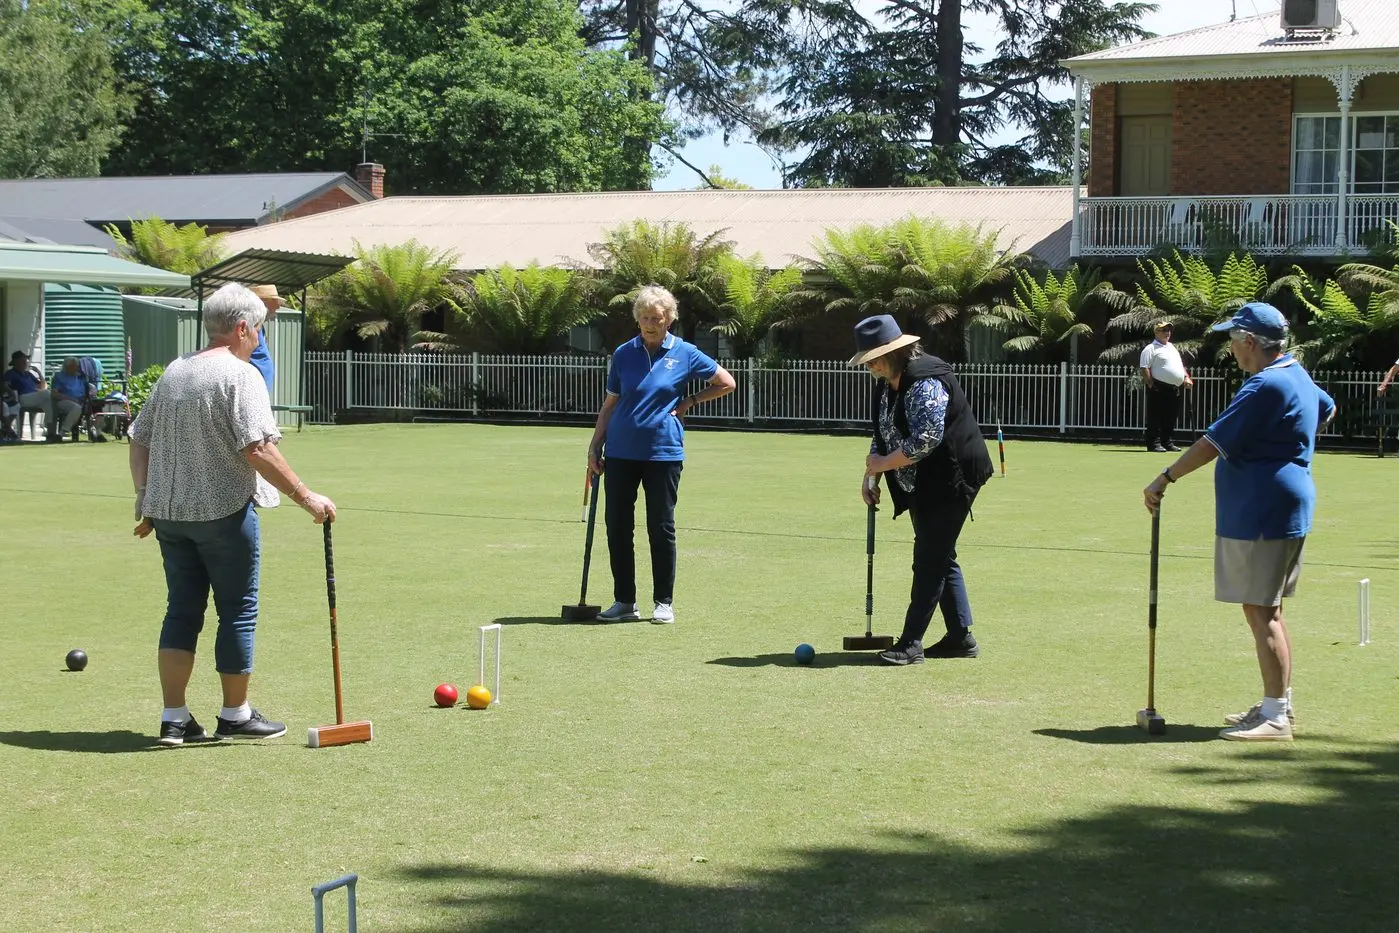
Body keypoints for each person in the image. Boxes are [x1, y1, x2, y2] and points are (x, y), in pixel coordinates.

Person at [129, 283, 337, 747]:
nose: (260, 339)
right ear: (242, 327)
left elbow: (138, 436)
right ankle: (235, 714)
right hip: (222, 512)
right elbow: (258, 448)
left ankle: (175, 719)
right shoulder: (240, 375)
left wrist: (144, 496)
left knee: (181, 611)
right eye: (259, 330)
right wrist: (306, 496)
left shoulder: (176, 370)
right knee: (238, 611)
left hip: (169, 515)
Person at [1142, 303, 1335, 743]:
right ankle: (1276, 702)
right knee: (1268, 608)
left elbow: (1212, 442)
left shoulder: (1264, 386)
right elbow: (1327, 409)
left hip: (1263, 508)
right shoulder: (1296, 374)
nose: (1230, 347)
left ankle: (1277, 715)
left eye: (1233, 338)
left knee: (1261, 610)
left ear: (1250, 342)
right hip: (1279, 503)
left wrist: (1164, 477)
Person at [586, 285, 736, 624]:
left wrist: (689, 402)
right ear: (637, 320)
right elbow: (610, 404)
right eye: (644, 319)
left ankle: (663, 602)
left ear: (669, 319)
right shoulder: (624, 353)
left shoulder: (685, 352)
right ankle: (625, 602)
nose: (651, 325)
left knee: (661, 526)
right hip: (621, 451)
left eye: (657, 318)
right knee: (618, 526)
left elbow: (727, 382)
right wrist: (595, 445)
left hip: (663, 453)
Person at [852, 315, 994, 665]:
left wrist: (883, 465)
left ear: (896, 352)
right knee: (941, 555)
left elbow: (925, 439)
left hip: (952, 477)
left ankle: (911, 643)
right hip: (924, 480)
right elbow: (885, 432)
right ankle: (960, 638)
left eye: (875, 357)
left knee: (929, 560)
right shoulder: (888, 383)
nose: (869, 364)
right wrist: (872, 475)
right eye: (867, 358)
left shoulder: (925, 382)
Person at [1140, 321, 1193, 452]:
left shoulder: (1172, 347)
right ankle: (1153, 443)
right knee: (1156, 416)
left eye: (1168, 330)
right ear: (1156, 332)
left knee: (1170, 416)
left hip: (1174, 388)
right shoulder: (1150, 349)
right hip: (1158, 387)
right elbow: (1144, 367)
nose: (1167, 333)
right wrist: (1150, 384)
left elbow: (1180, 365)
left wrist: (1186, 377)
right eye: (1163, 330)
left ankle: (1167, 442)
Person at [246, 284, 286, 393]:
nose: (278, 306)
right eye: (275, 301)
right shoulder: (250, 326)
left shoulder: (259, 327)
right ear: (263, 303)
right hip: (252, 390)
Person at [3, 350, 48, 439]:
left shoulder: (28, 374)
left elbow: (43, 387)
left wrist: (38, 372)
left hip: (34, 397)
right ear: (16, 362)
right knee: (47, 394)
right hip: (22, 398)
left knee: (49, 402)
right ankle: (10, 431)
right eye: (23, 360)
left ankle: (51, 431)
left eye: (25, 360)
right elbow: (4, 385)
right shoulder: (11, 373)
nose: (25, 363)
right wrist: (11, 392)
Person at [47, 357, 89, 441]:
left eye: (77, 366)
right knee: (76, 408)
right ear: (67, 367)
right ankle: (62, 433)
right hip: (63, 401)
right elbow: (54, 394)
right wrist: (71, 399)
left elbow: (88, 389)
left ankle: (97, 433)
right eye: (73, 366)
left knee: (97, 407)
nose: (76, 368)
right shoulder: (59, 376)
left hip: (81, 401)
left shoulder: (81, 377)